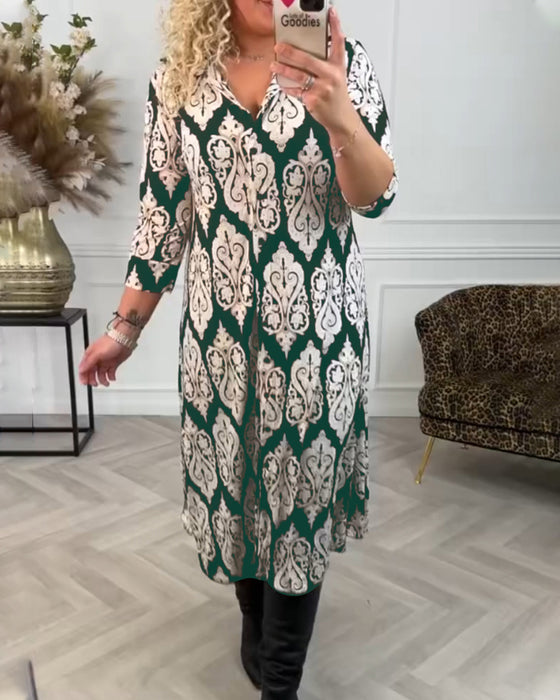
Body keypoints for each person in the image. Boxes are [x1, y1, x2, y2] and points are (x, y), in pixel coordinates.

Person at [79, 0, 398, 697]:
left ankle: (280, 680)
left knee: (301, 497)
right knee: (239, 487)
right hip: (218, 338)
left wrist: (338, 115)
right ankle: (255, 626)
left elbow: (375, 197)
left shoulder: (342, 63)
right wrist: (123, 331)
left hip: (317, 335)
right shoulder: (179, 77)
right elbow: (164, 217)